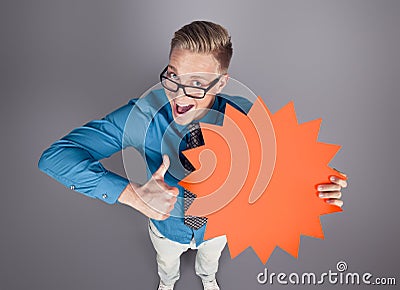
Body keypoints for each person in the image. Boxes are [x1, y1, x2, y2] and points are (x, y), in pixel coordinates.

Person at [38, 21, 347, 290]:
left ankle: (207, 278)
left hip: (219, 228)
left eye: (197, 83)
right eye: (173, 76)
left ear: (222, 83)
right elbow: (55, 157)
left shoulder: (249, 121)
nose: (180, 94)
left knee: (210, 261)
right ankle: (167, 282)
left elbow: (273, 171)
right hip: (166, 228)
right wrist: (132, 195)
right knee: (167, 263)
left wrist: (315, 188)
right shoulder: (140, 117)